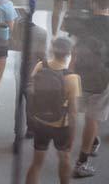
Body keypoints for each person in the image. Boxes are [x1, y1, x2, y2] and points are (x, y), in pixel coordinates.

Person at [25, 37, 80, 184]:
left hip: (40, 122)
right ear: (69, 53)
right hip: (61, 125)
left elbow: (32, 91)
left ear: (52, 49)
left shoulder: (40, 66)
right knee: (64, 158)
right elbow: (73, 112)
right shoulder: (72, 78)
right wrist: (72, 136)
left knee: (36, 163)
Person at [72, 0, 109, 177]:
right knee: (92, 118)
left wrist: (70, 70)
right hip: (102, 78)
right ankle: (81, 163)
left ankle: (93, 141)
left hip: (81, 74)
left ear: (93, 3)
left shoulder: (85, 23)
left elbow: (75, 49)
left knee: (86, 113)